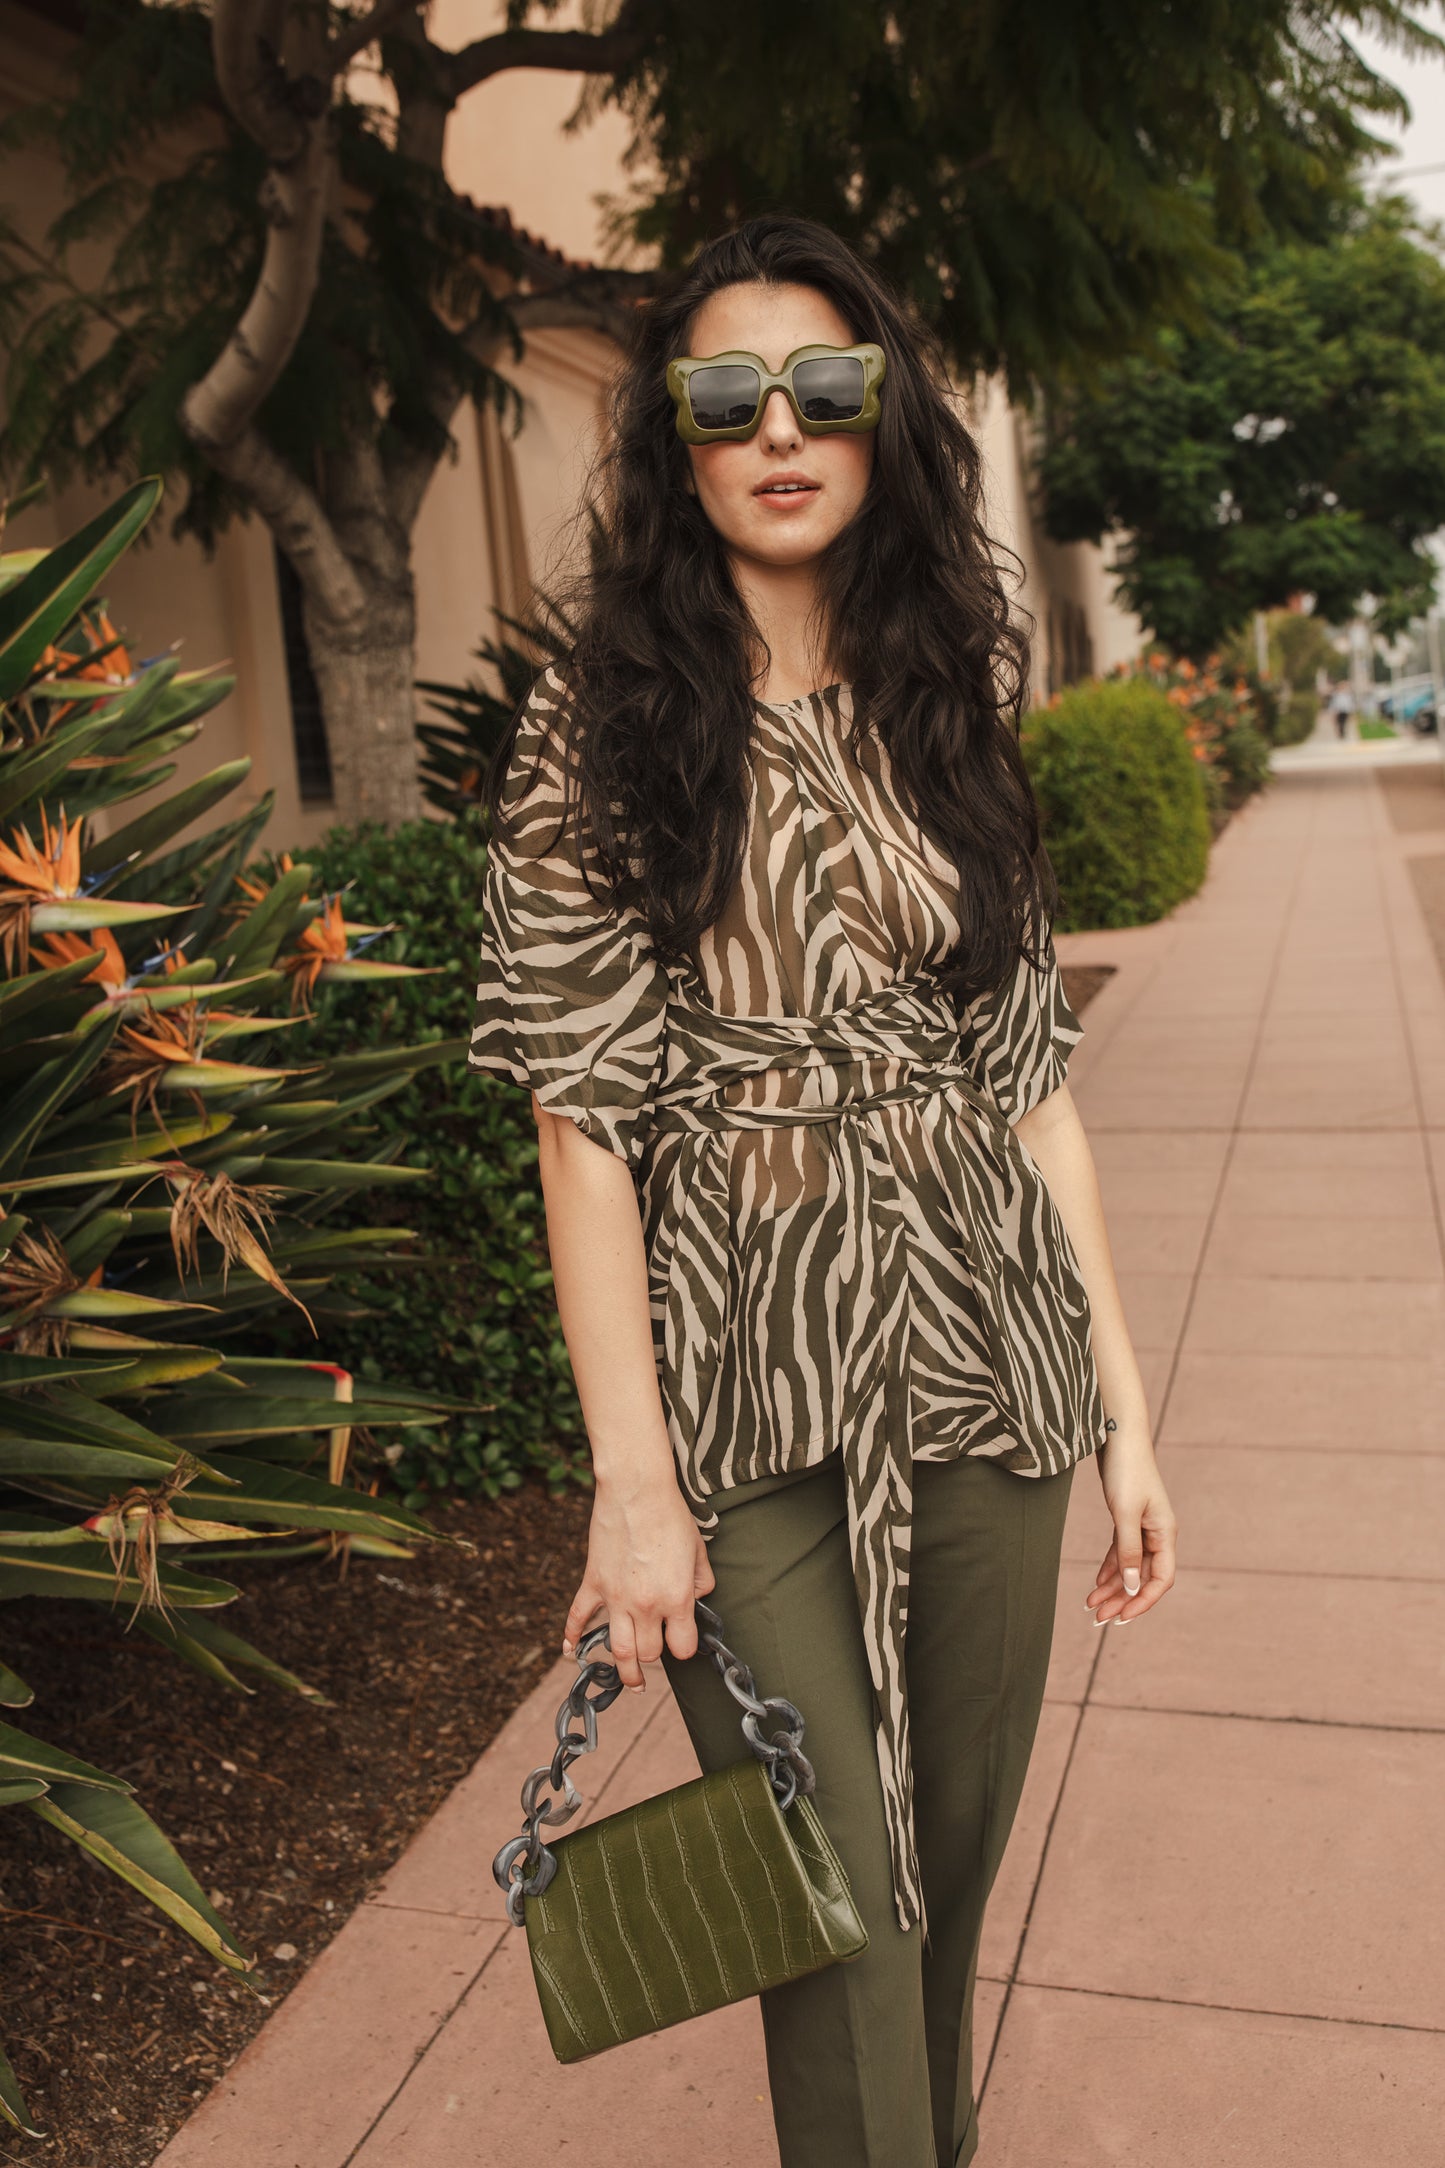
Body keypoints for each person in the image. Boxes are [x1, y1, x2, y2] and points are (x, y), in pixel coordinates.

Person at [468, 215, 1177, 2168]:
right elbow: (581, 1123)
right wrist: (632, 1488)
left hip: (987, 1361)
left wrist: (1124, 1412)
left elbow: (1034, 1088)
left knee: (931, 1903)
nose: (778, 427)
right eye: (724, 394)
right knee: (835, 1906)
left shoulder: (956, 696)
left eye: (824, 386)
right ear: (674, 445)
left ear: (889, 420)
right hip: (743, 1398)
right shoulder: (600, 730)